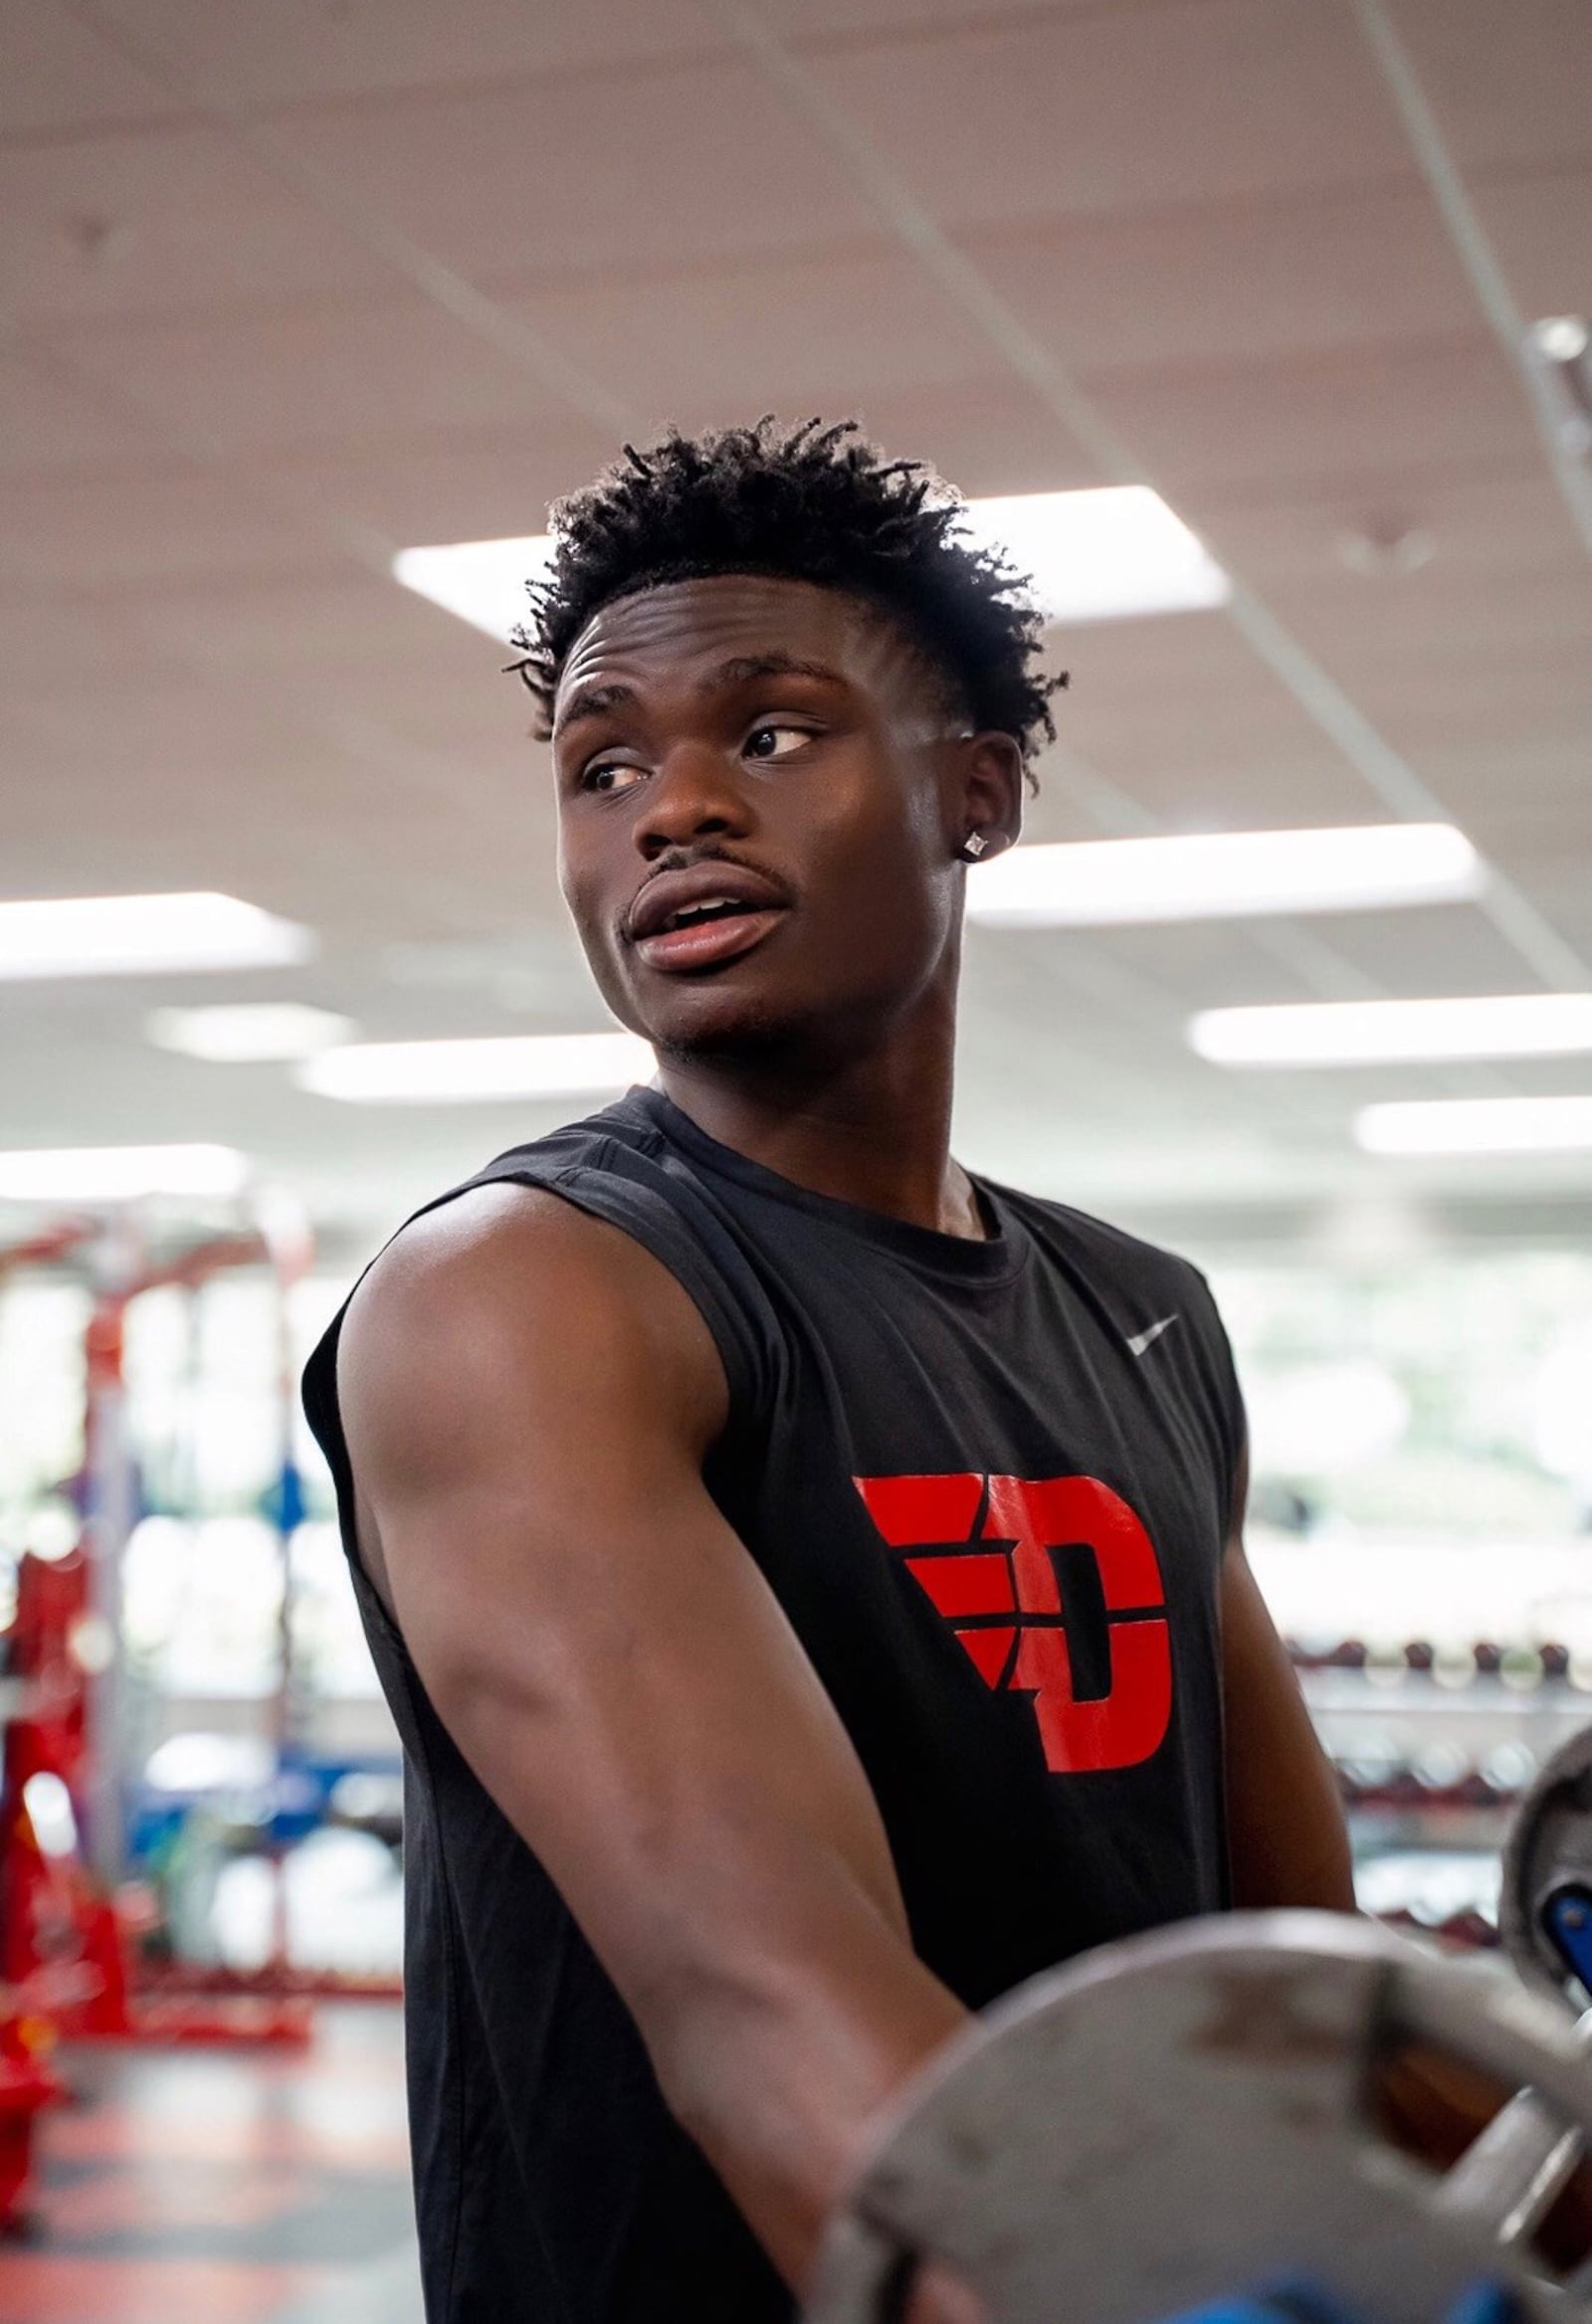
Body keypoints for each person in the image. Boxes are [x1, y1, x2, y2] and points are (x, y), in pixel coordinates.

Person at [301, 419, 1354, 2324]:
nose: (668, 810)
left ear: (979, 790)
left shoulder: (1147, 1314)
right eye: (602, 765)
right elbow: (758, 2001)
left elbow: (1288, 1975)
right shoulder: (534, 1292)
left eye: (769, 732)